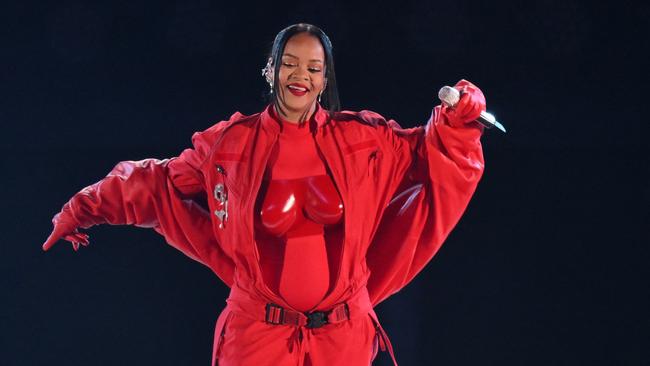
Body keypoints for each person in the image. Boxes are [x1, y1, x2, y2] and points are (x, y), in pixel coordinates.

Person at [42, 23, 487, 366]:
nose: (302, 76)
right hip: (256, 338)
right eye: (291, 63)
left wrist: (459, 116)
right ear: (271, 69)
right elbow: (155, 181)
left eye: (314, 68)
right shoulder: (230, 144)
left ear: (324, 78)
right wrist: (81, 208)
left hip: (341, 338)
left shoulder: (364, 138)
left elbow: (431, 153)